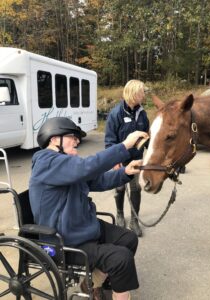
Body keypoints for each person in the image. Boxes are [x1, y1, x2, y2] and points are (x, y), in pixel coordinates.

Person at [29, 116, 149, 300]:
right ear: (53, 139)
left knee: (129, 238)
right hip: (64, 239)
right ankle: (100, 285)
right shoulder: (47, 161)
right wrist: (124, 145)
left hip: (82, 227)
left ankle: (93, 282)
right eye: (72, 136)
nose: (77, 141)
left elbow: (98, 180)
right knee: (121, 259)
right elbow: (87, 167)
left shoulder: (66, 164)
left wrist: (125, 172)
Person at [105, 79, 150, 237]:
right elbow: (110, 140)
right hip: (120, 159)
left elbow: (147, 136)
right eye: (141, 91)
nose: (143, 94)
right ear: (134, 93)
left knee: (136, 188)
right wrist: (114, 160)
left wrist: (151, 153)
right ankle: (119, 214)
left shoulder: (142, 113)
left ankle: (134, 221)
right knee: (120, 187)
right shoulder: (116, 113)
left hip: (136, 159)